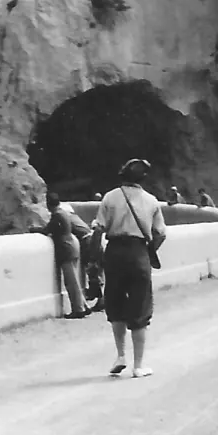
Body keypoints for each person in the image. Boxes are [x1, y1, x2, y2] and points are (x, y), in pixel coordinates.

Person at [90, 158, 166, 378]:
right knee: (140, 307)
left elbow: (98, 229)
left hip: (114, 252)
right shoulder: (151, 201)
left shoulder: (110, 197)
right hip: (138, 252)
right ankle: (139, 365)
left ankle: (120, 356)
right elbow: (161, 233)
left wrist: (94, 259)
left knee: (115, 303)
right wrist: (149, 250)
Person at [41, 193, 91, 319]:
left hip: (66, 248)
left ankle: (78, 309)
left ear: (48, 204)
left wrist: (34, 229)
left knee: (71, 281)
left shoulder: (57, 215)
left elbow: (47, 230)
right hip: (73, 245)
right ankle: (84, 305)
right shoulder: (64, 213)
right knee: (75, 279)